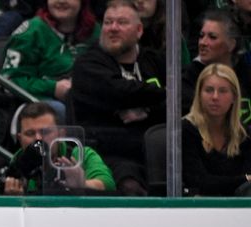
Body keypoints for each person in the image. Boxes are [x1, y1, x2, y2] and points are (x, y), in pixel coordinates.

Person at [71, 0, 166, 195]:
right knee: (129, 185)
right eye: (108, 22)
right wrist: (160, 95)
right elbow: (117, 91)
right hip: (108, 154)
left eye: (122, 22)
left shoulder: (155, 62)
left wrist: (148, 110)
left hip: (156, 154)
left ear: (139, 30)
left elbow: (182, 100)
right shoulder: (87, 64)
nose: (113, 28)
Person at [1, 0, 100, 120]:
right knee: (58, 111)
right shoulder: (32, 31)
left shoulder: (95, 30)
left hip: (84, 99)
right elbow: (9, 81)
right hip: (38, 105)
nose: (61, 1)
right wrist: (53, 88)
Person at [0, 101, 115, 194]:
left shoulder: (81, 154)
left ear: (60, 134)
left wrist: (83, 184)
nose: (38, 139)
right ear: (20, 139)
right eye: (30, 133)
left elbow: (108, 185)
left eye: (45, 132)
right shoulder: (18, 161)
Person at [182, 63, 251, 195]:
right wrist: (244, 179)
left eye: (223, 91)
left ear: (234, 97)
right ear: (199, 95)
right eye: (208, 90)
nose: (215, 97)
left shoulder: (244, 135)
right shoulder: (187, 130)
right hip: (198, 209)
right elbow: (199, 182)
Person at [182, 10, 251, 126]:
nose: (203, 43)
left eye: (212, 37)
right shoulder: (190, 76)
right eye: (201, 36)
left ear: (231, 44)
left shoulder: (246, 73)